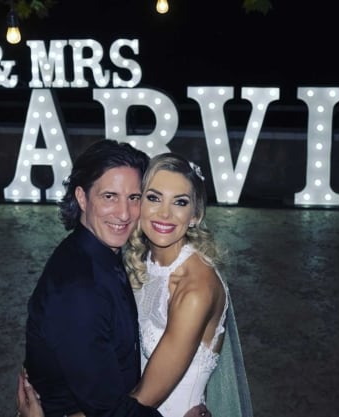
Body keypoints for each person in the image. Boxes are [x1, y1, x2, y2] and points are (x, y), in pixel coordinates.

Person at [20, 140, 210, 417]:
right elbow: (110, 412)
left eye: (134, 198)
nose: (124, 214)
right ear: (82, 198)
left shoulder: (100, 254)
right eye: (109, 196)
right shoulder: (79, 290)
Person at [124, 153, 228, 417]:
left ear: (195, 215)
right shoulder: (142, 260)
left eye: (180, 202)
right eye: (154, 198)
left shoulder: (195, 290)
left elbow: (144, 401)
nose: (165, 213)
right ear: (139, 203)